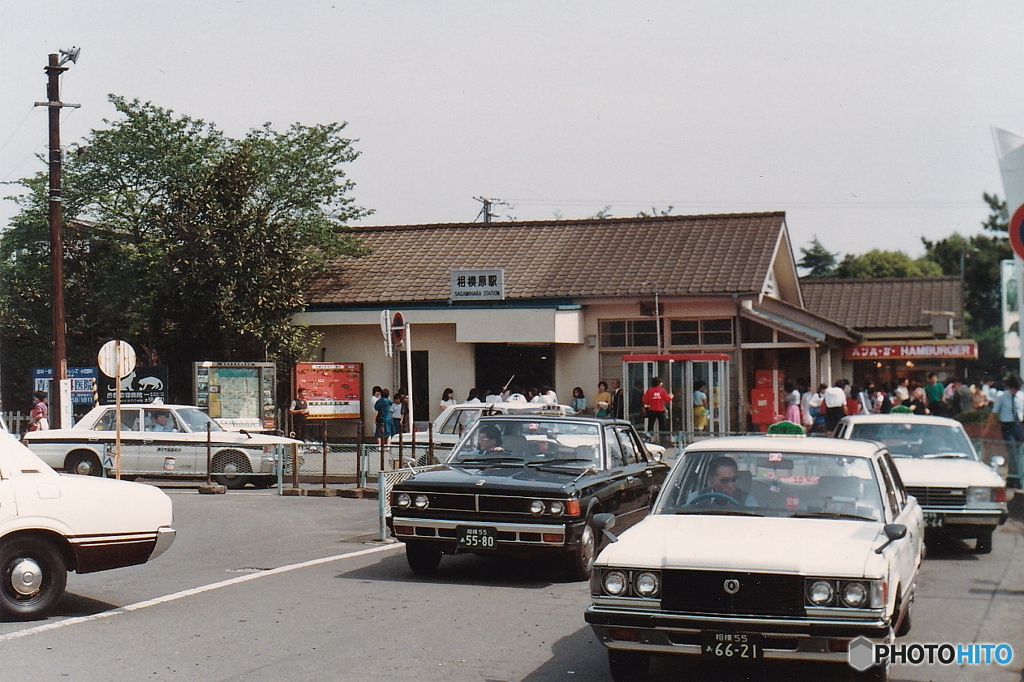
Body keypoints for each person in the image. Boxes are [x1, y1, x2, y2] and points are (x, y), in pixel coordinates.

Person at [989, 375, 1024, 488]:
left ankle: (1012, 477)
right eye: (1013, 388)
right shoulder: (1002, 396)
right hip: (1007, 426)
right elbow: (994, 412)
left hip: (1018, 426)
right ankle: (1016, 479)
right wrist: (987, 428)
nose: (1015, 391)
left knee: (1018, 454)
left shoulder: (1022, 397)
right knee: (1012, 451)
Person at [687, 456, 757, 506]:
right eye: (724, 481)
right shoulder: (696, 498)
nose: (730, 485)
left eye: (734, 480)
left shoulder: (747, 501)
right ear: (711, 480)